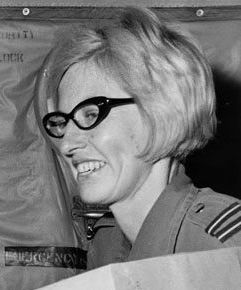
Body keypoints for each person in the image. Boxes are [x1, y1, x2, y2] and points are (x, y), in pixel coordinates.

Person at [39, 6, 241, 269]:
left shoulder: (224, 247)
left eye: (90, 115)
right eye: (63, 123)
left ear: (160, 112)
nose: (66, 144)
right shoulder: (106, 243)